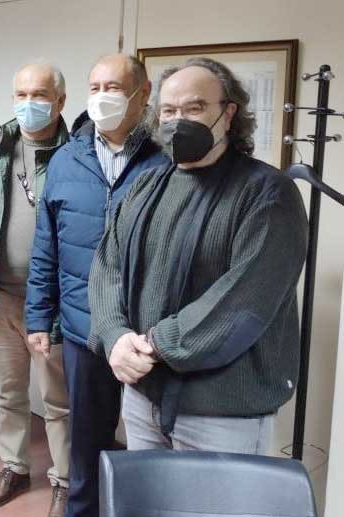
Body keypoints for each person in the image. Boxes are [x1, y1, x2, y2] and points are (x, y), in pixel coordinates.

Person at [88, 57, 308, 454]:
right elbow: (107, 268)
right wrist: (113, 336)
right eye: (168, 111)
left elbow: (245, 301)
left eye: (194, 108)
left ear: (229, 113)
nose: (178, 121)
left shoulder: (268, 194)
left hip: (222, 413)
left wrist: (153, 346)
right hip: (142, 397)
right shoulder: (146, 187)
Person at [25, 54, 170, 517]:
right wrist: (37, 317)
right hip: (83, 329)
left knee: (151, 446)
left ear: (143, 94)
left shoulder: (168, 160)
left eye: (114, 87)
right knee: (86, 444)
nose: (103, 96)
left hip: (149, 333)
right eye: (96, 87)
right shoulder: (67, 160)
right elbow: (45, 246)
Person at [0, 62, 71, 516]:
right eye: (21, 94)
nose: (28, 103)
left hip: (52, 305)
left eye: (39, 94)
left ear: (60, 101)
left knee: (59, 400)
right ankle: (15, 467)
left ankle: (65, 480)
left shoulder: (75, 154)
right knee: (7, 393)